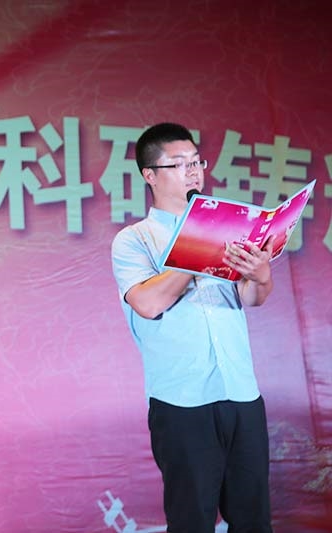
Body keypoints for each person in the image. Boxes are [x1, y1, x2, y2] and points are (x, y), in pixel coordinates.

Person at [110, 123, 274, 532]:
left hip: (241, 393)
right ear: (150, 175)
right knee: (191, 521)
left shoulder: (227, 230)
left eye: (197, 162)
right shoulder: (135, 240)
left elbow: (251, 298)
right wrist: (198, 247)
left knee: (254, 520)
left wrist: (261, 275)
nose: (193, 172)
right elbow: (148, 303)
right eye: (179, 164)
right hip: (183, 402)